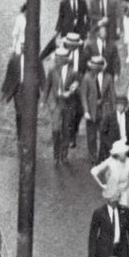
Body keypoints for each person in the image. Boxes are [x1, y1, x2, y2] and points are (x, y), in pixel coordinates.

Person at [46, 33, 85, 162]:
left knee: (67, 128)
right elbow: (47, 86)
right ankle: (56, 153)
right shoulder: (52, 69)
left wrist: (74, 87)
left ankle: (64, 153)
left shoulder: (74, 71)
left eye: (59, 58)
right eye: (57, 58)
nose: (57, 60)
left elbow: (79, 81)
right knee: (56, 129)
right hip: (57, 103)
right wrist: (45, 102)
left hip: (69, 103)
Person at [81, 55, 121, 164]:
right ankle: (93, 158)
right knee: (91, 136)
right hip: (91, 111)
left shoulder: (108, 77)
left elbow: (112, 95)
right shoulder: (87, 78)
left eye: (97, 67)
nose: (95, 69)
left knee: (104, 135)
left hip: (104, 110)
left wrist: (114, 111)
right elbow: (84, 96)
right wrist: (86, 111)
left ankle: (103, 157)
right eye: (93, 67)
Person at [88, 193, 129, 257]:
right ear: (107, 198)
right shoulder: (98, 213)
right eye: (111, 197)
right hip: (104, 254)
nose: (114, 200)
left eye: (116, 197)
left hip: (121, 253)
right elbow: (93, 235)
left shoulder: (126, 211)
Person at [91, 141, 129, 211]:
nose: (125, 153)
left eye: (125, 152)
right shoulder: (110, 162)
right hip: (114, 193)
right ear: (118, 154)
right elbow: (93, 171)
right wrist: (101, 185)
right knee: (115, 212)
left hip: (125, 192)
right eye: (124, 152)